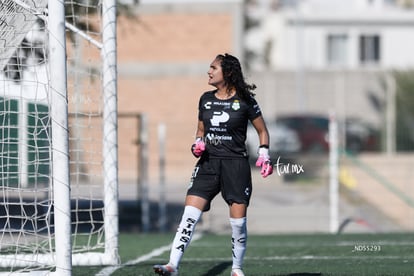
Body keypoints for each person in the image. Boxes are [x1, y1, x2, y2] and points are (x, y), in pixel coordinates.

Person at [153, 53, 273, 276]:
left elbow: (262, 131)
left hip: (235, 166)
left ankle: (236, 269)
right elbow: (200, 132)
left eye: (213, 68)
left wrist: (264, 153)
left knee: (237, 224)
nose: (208, 71)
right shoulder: (205, 99)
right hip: (208, 165)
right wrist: (197, 144)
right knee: (189, 215)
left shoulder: (246, 101)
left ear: (227, 73)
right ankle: (172, 266)